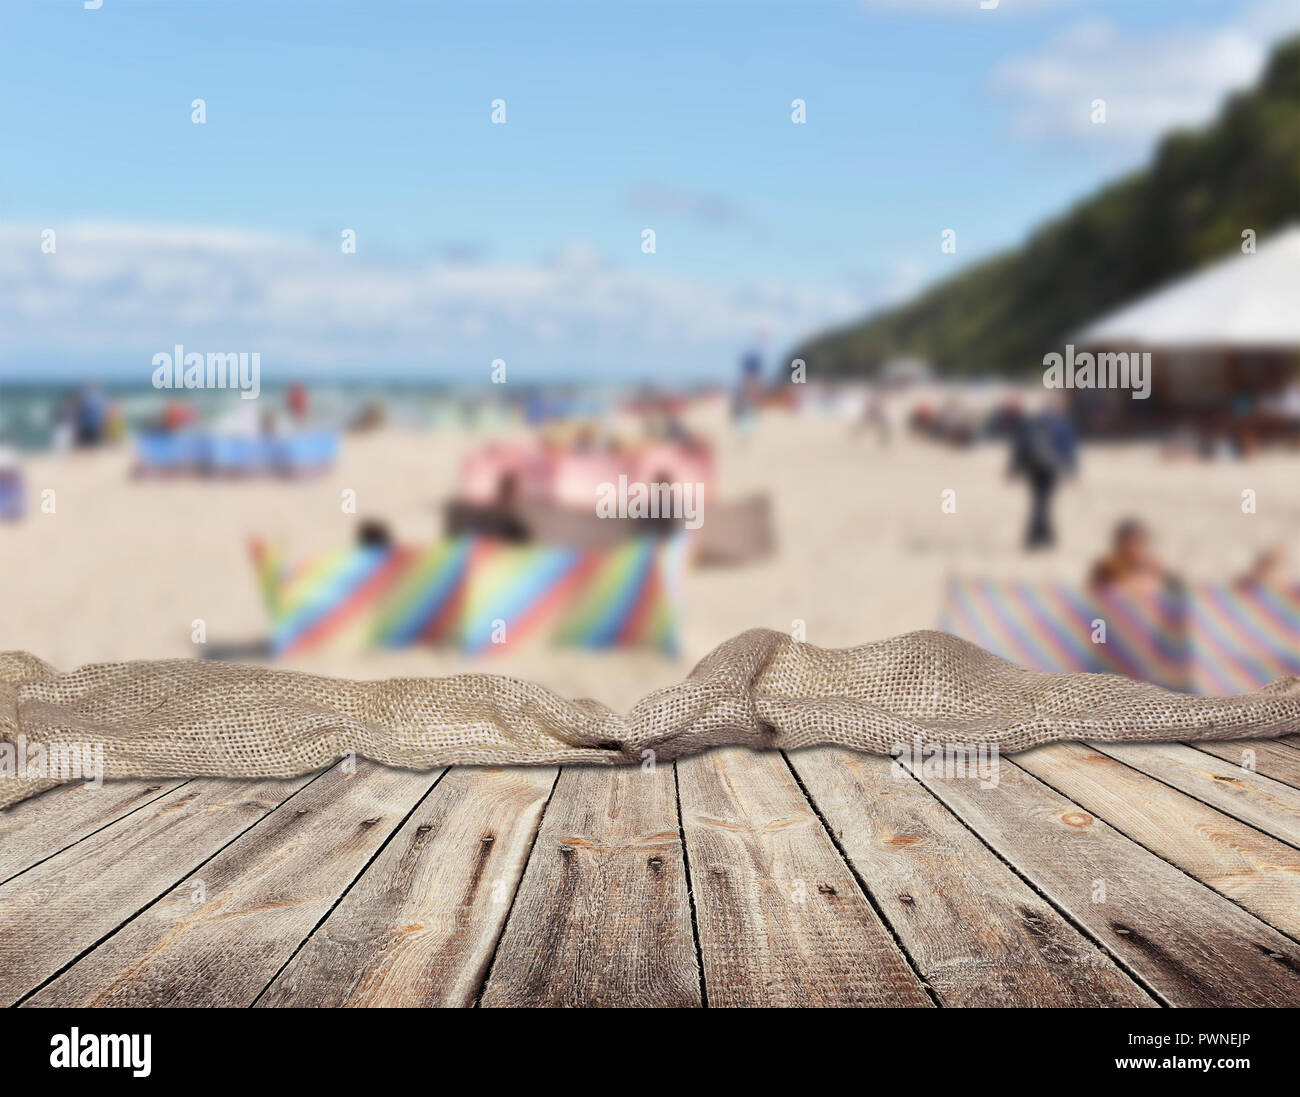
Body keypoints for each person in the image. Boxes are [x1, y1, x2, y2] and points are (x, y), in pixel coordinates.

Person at [1008, 396, 1077, 550]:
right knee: (1043, 503)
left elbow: (1020, 445)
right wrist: (1072, 469)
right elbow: (1068, 447)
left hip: (1033, 467)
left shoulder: (1030, 423)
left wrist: (1013, 469)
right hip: (1051, 467)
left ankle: (1042, 536)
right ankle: (1039, 537)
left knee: (1038, 501)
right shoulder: (1060, 423)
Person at [1088, 519, 1180, 596]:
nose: (1137, 548)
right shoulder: (1108, 567)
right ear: (1121, 544)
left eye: (1141, 542)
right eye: (1133, 543)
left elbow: (1174, 592)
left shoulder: (1154, 566)